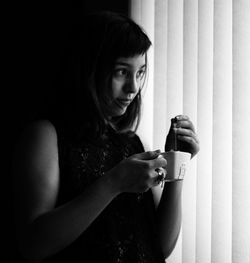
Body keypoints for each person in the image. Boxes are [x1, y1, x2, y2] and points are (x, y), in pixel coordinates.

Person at [11, 11, 200, 263]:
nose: (133, 87)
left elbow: (159, 248)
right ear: (90, 69)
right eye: (122, 72)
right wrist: (112, 183)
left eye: (140, 72)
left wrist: (177, 166)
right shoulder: (46, 136)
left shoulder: (131, 143)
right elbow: (33, 246)